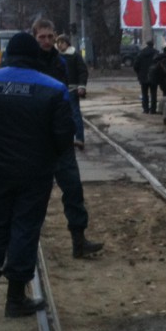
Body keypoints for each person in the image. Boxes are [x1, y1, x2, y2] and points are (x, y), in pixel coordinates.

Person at [0, 33, 75, 317]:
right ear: (35, 55)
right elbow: (64, 136)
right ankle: (15, 299)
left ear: (8, 54)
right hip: (34, 172)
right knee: (25, 230)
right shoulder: (54, 88)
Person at [32, 18, 104, 259]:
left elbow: (64, 99)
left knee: (73, 191)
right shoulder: (28, 63)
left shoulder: (60, 62)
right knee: (33, 197)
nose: (46, 41)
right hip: (36, 143)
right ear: (34, 38)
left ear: (55, 37)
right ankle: (28, 247)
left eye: (49, 36)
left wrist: (69, 130)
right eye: (41, 37)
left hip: (61, 141)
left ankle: (79, 240)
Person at [55, 33, 89, 147]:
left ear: (67, 43)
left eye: (62, 42)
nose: (60, 45)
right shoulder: (55, 56)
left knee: (75, 114)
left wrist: (81, 86)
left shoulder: (74, 55)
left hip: (72, 89)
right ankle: (63, 139)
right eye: (58, 42)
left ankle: (79, 138)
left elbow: (83, 71)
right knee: (60, 115)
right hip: (58, 90)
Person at [133, 40, 159, 114]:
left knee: (144, 94)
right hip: (154, 76)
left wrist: (139, 73)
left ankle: (145, 109)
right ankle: (153, 110)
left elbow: (135, 65)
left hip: (143, 76)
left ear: (147, 45)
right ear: (153, 45)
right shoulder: (156, 53)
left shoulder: (141, 53)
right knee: (153, 94)